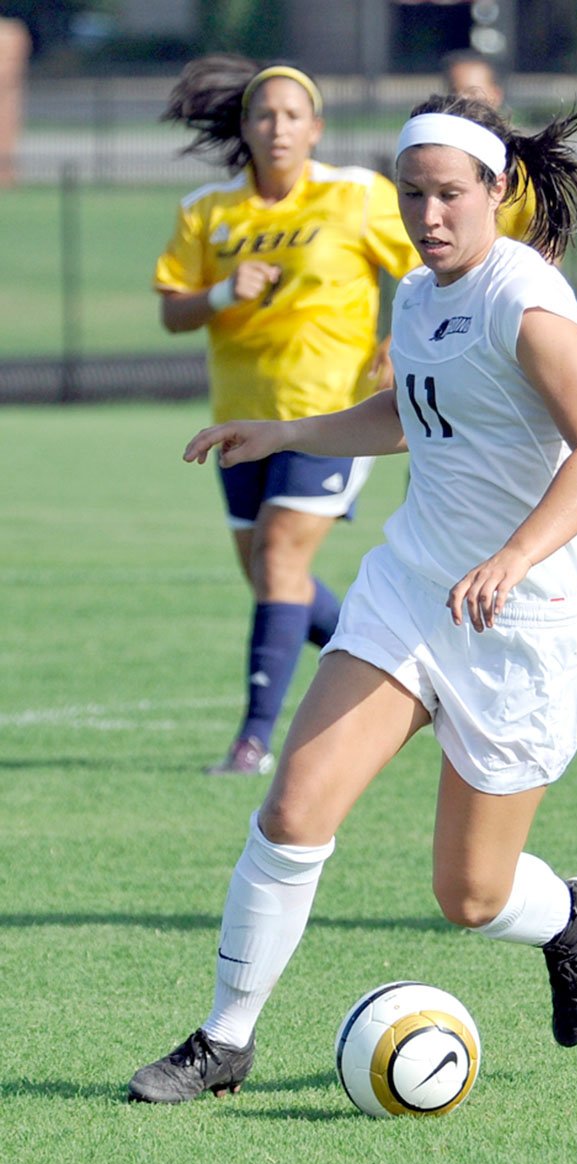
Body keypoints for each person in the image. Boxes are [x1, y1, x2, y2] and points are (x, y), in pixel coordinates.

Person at [128, 90, 577, 1104]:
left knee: (471, 896)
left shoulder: (520, 299)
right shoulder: (416, 292)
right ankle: (224, 1041)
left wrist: (512, 557)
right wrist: (286, 432)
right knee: (293, 808)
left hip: (516, 624)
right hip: (409, 591)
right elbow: (410, 414)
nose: (428, 216)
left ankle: (573, 914)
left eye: (449, 195)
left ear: (497, 190)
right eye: (412, 195)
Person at [154, 55, 421, 775]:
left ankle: (251, 742)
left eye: (292, 115)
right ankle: (410, 669)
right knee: (278, 582)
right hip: (242, 420)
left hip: (332, 416)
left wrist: (402, 338)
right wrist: (219, 296)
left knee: (279, 560)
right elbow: (172, 311)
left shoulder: (353, 195)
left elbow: (427, 264)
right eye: (264, 114)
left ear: (316, 129)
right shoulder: (209, 210)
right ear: (244, 126)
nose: (278, 127)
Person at [442, 49, 537, 245]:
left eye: (472, 93)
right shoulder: (431, 162)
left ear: (496, 95)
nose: (462, 103)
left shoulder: (522, 166)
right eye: (454, 93)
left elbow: (546, 247)